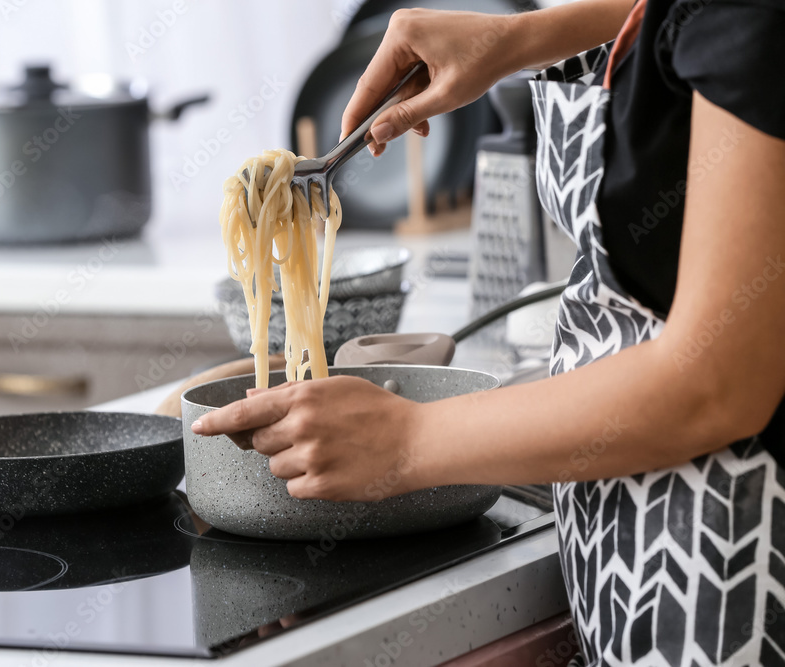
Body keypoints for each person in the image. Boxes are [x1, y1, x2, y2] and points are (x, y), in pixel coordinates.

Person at [192, 0, 785, 664]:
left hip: (735, 561)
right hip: (643, 544)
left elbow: (719, 381)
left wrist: (406, 439)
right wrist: (520, 38)